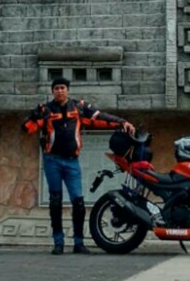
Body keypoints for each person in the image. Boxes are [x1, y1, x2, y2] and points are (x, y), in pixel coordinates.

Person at [23, 76, 134, 255]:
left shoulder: (79, 107)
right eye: (56, 88)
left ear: (67, 90)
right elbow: (28, 129)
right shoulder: (46, 110)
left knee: (78, 202)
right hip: (52, 160)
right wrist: (32, 116)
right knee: (55, 201)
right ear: (52, 91)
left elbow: (100, 116)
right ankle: (58, 242)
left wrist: (122, 122)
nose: (60, 90)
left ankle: (78, 243)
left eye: (63, 87)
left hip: (72, 161)